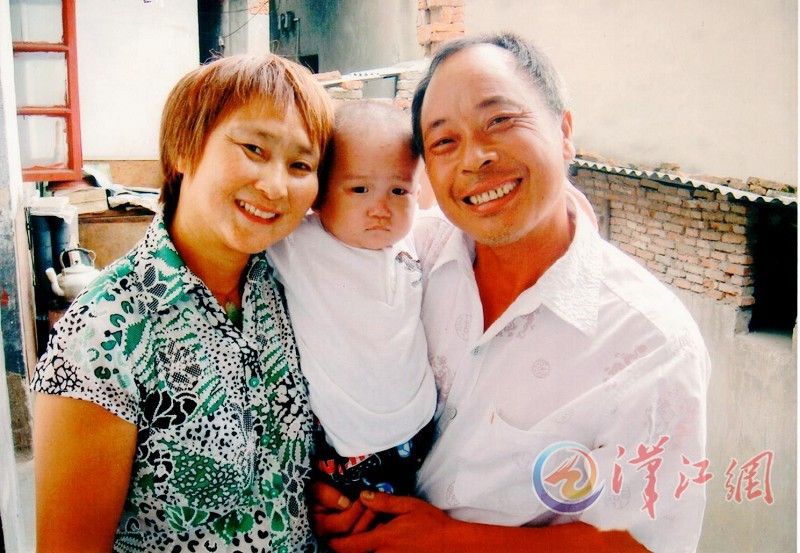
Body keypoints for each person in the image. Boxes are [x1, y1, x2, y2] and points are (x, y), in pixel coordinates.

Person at [314, 33, 711, 553]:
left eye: (499, 120)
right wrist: (334, 490)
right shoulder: (406, 256)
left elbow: (643, 540)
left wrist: (450, 541)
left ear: (564, 132)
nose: (474, 158)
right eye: (444, 142)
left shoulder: (650, 342)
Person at [31, 54, 333, 552]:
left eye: (301, 165)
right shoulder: (103, 332)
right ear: (183, 150)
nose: (276, 186)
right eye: (254, 149)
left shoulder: (295, 287)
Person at [267, 100, 437, 499]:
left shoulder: (416, 240)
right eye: (359, 189)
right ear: (319, 194)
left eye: (399, 190)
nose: (381, 209)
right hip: (348, 444)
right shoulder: (299, 243)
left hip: (420, 427)